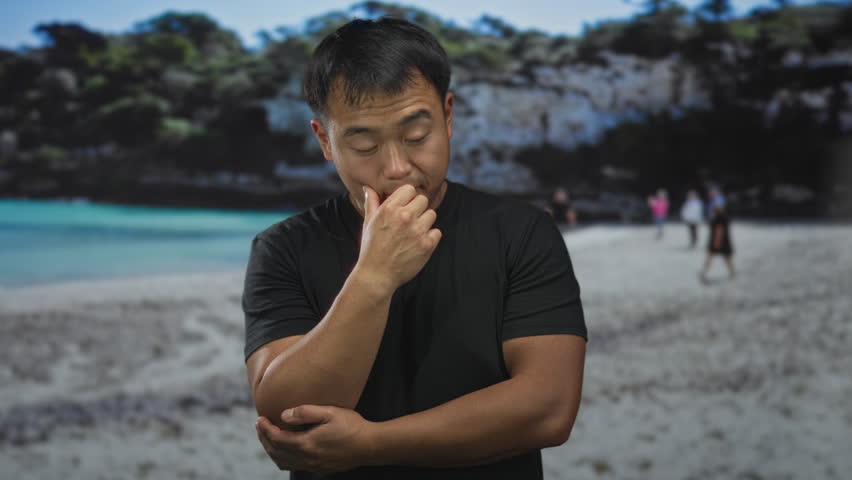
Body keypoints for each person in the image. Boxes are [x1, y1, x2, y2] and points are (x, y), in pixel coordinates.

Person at [242, 18, 587, 480]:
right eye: (365, 145)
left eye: (416, 137)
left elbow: (548, 409)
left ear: (448, 115)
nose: (397, 167)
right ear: (325, 140)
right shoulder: (283, 247)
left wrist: (371, 444)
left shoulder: (522, 233)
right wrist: (374, 277)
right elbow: (284, 413)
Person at [700, 204, 736, 280]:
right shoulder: (725, 219)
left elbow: (719, 232)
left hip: (717, 242)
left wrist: (716, 243)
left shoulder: (718, 220)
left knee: (710, 258)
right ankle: (732, 272)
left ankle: (704, 272)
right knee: (727, 259)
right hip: (724, 242)